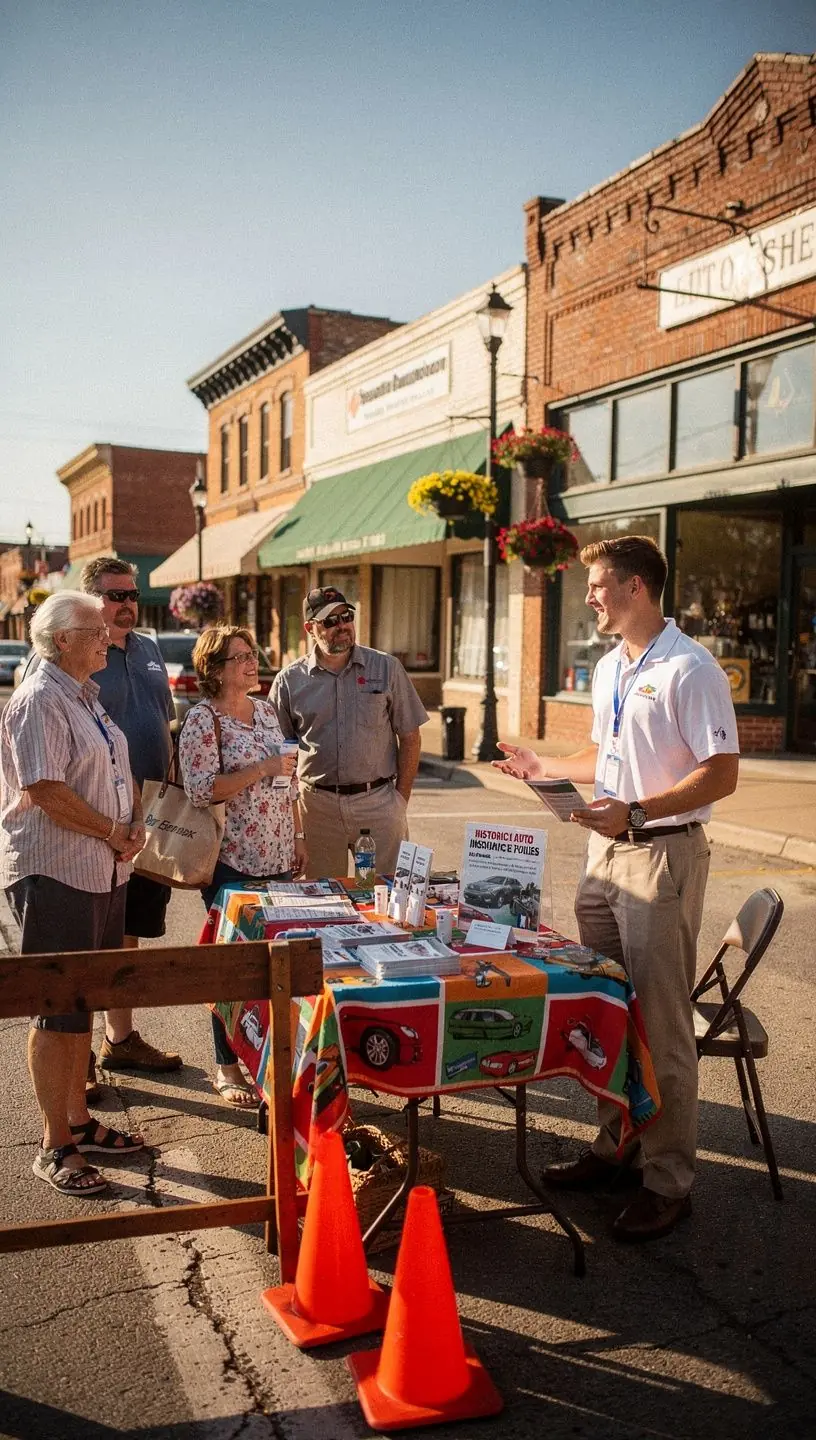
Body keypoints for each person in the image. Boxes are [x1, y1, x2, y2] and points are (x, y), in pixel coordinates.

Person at [495, 535, 739, 1242]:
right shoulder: (611, 666)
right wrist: (546, 765)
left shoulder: (691, 667)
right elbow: (605, 752)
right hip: (603, 855)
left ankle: (668, 1181)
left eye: (599, 585)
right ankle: (616, 1145)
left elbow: (721, 772)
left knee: (660, 1023)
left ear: (636, 587)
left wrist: (635, 812)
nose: (590, 596)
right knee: (606, 1008)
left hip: (660, 855)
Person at [0, 591, 145, 1198]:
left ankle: (80, 1122)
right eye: (95, 631)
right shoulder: (40, 698)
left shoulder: (84, 695)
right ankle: (53, 1143)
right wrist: (113, 830)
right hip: (56, 874)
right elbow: (47, 791)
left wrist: (132, 826)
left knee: (82, 1001)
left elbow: (107, 771)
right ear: (62, 640)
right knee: (56, 1008)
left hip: (100, 871)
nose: (107, 637)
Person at [27, 557, 183, 1086]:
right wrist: (111, 825)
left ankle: (119, 1038)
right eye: (116, 596)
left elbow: (163, 722)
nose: (127, 604)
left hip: (143, 816)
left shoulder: (148, 650)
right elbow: (45, 772)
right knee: (84, 952)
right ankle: (79, 1062)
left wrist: (165, 796)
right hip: (89, 827)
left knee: (126, 933)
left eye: (132, 594)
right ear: (90, 601)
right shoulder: (61, 665)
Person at [179, 625, 306, 1107]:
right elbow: (201, 790)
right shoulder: (202, 719)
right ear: (214, 669)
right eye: (241, 657)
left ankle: (270, 1060)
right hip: (230, 862)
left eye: (253, 654)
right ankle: (226, 1065)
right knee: (232, 968)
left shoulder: (266, 711)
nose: (253, 663)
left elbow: (288, 779)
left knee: (275, 967)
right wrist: (261, 769)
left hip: (278, 857)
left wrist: (297, 836)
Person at [271, 586, 428, 879]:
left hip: (377, 805)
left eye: (346, 617)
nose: (342, 626)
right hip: (316, 808)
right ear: (310, 628)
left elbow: (410, 736)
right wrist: (290, 821)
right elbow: (280, 754)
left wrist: (399, 801)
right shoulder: (289, 681)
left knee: (381, 893)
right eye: (330, 621)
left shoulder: (387, 668)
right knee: (323, 898)